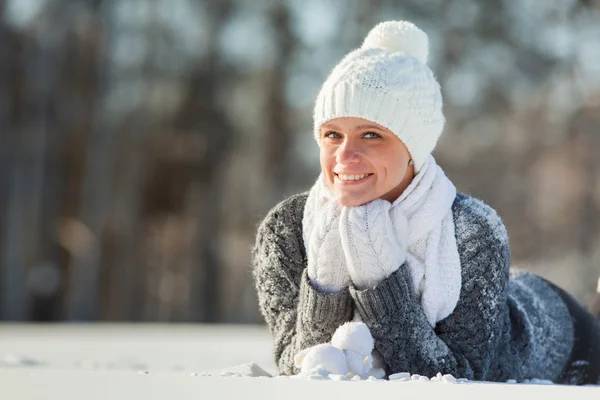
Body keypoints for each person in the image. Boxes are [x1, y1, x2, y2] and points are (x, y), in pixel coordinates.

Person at [251, 20, 600, 385]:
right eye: (332, 135)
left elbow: (462, 378)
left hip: (557, 331)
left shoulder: (475, 231)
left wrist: (380, 277)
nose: (345, 155)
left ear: (413, 148)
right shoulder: (286, 230)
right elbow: (299, 367)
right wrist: (328, 277)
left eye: (372, 135)